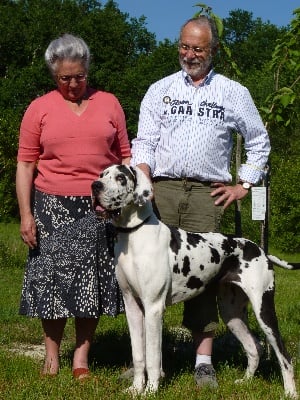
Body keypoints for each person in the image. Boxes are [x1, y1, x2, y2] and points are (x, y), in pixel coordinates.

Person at [130, 16, 270, 388]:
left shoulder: (233, 92)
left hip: (209, 195)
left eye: (198, 49)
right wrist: (143, 177)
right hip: (161, 190)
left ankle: (203, 361)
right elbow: (143, 142)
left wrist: (243, 185)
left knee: (205, 277)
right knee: (148, 276)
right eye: (184, 46)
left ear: (214, 51)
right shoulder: (159, 89)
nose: (189, 55)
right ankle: (148, 363)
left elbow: (259, 141)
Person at [16, 33, 131, 380]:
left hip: (100, 208)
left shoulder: (109, 103)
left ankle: (81, 358)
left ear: (87, 70)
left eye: (79, 76)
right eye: (65, 77)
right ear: (54, 74)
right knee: (51, 283)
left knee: (90, 283)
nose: (73, 84)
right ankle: (51, 358)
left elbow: (126, 155)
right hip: (51, 205)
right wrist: (26, 214)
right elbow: (25, 164)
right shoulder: (39, 108)